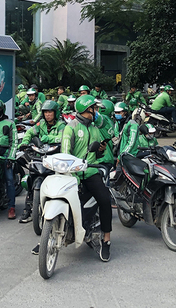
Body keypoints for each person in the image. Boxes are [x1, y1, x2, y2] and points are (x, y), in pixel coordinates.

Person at [58, 95, 112, 262]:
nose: (97, 111)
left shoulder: (95, 129)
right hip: (72, 174)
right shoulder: (71, 127)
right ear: (88, 109)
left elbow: (97, 154)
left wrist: (101, 150)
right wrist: (71, 172)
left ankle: (106, 240)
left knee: (105, 199)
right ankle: (48, 236)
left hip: (90, 172)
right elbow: (65, 152)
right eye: (95, 108)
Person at [18, 100, 65, 223]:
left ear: (55, 113)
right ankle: (28, 209)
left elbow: (61, 138)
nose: (47, 115)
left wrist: (47, 138)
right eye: (45, 112)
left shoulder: (61, 125)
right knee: (31, 177)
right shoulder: (41, 124)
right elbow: (30, 132)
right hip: (40, 155)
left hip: (55, 157)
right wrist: (25, 142)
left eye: (50, 112)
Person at [95, 99, 116, 171]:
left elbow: (96, 116)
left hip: (102, 159)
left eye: (96, 108)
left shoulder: (103, 119)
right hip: (108, 157)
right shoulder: (111, 121)